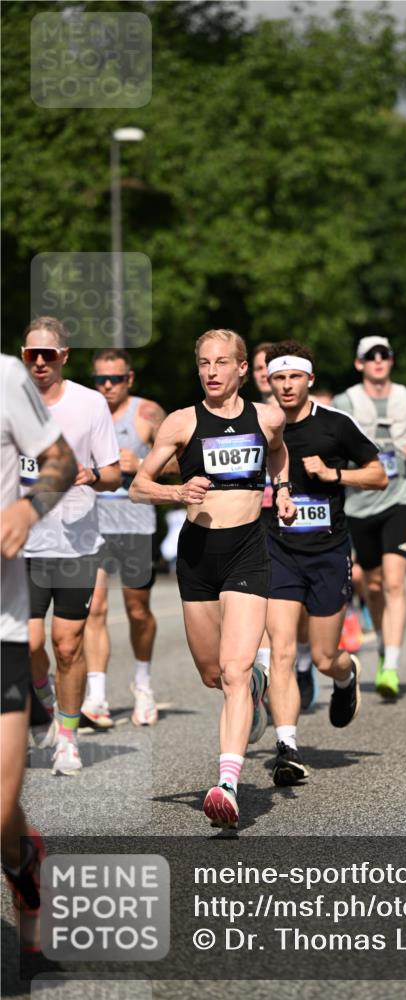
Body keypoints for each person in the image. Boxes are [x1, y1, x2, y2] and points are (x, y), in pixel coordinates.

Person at [129, 328, 296, 829]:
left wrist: (283, 490)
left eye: (222, 362)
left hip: (247, 551)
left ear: (243, 368)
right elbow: (138, 486)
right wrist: (176, 492)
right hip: (198, 555)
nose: (212, 371)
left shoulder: (267, 417)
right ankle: (259, 684)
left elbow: (278, 453)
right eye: (204, 363)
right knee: (211, 673)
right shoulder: (181, 422)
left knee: (233, 671)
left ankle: (226, 785)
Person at [264, 341, 387, 785]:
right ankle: (287, 746)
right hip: (278, 551)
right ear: (269, 381)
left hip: (328, 553)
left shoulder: (335, 424)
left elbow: (379, 474)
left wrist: (334, 474)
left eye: (294, 377)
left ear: (309, 379)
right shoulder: (262, 425)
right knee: (281, 650)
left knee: (322, 656)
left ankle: (346, 674)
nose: (286, 385)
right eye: (279, 378)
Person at [21, 318, 120, 774]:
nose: (40, 362)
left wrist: (90, 474)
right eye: (32, 354)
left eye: (49, 354)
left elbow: (114, 474)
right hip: (22, 544)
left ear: (64, 356)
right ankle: (45, 697)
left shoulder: (89, 403)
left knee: (66, 645)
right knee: (27, 642)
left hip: (76, 543)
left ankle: (67, 737)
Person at [1, 352, 76, 951]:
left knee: (0, 812)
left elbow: (61, 461)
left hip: (1, 627)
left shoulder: (6, 378)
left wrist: (28, 508)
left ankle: (24, 865)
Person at [333, 337, 406, 699]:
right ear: (359, 364)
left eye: (383, 355)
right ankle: (386, 643)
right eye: (369, 356)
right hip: (360, 504)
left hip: (403, 498)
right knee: (372, 586)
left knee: (394, 581)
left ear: (391, 360)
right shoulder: (345, 402)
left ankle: (392, 666)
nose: (377, 360)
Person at [82, 348, 172, 729]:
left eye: (115, 379)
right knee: (94, 608)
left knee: (137, 611)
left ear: (129, 379)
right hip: (92, 522)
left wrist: (144, 464)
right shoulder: (84, 411)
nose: (107, 386)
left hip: (135, 523)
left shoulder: (147, 413)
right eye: (100, 379)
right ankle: (97, 696)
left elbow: (183, 458)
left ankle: (143, 684)